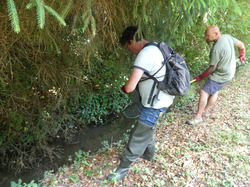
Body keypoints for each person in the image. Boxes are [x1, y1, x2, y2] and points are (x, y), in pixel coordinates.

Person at [107, 26, 174, 180]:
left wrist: (123, 88)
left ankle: (122, 170)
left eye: (128, 46)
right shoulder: (157, 46)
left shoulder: (145, 54)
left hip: (154, 103)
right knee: (148, 127)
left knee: (138, 135)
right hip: (162, 98)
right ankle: (148, 154)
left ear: (131, 41)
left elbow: (130, 87)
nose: (130, 50)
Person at [186, 25, 246, 125]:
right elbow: (242, 45)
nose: (206, 38)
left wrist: (200, 77)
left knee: (204, 92)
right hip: (230, 72)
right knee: (215, 90)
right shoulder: (227, 37)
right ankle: (205, 111)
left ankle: (198, 117)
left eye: (208, 36)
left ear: (216, 34)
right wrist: (242, 54)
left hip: (221, 75)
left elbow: (212, 68)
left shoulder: (216, 48)